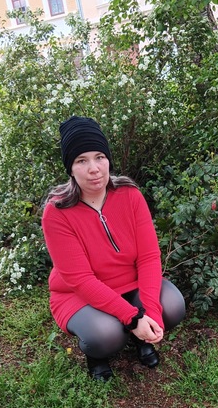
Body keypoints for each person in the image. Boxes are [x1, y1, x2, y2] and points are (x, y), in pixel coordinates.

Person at [42, 116, 186, 381]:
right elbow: (80, 280)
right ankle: (97, 354)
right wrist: (132, 318)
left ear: (108, 159)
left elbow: (149, 257)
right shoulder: (57, 212)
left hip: (130, 283)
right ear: (70, 168)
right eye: (81, 160)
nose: (94, 168)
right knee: (106, 335)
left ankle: (141, 337)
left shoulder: (130, 195)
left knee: (172, 306)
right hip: (80, 294)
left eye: (100, 157)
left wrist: (150, 312)